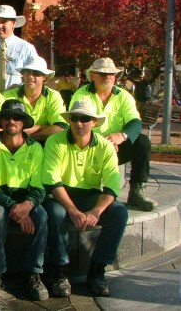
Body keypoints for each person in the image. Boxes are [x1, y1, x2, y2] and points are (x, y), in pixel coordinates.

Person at [42, 100, 128, 297]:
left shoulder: (105, 147)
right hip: (61, 195)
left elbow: (112, 185)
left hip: (90, 196)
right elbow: (52, 181)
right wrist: (73, 211)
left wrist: (95, 211)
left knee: (119, 212)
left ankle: (97, 270)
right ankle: (60, 270)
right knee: (55, 213)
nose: (79, 123)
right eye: (74, 118)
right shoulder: (55, 141)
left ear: (94, 122)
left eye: (85, 119)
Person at [0, 99, 49, 301]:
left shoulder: (35, 148)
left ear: (23, 122)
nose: (12, 120)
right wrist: (16, 210)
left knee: (42, 216)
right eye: (7, 117)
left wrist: (27, 206)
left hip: (26, 199)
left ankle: (33, 273)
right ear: (1, 122)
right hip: (0, 199)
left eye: (17, 117)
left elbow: (39, 186)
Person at [70, 58, 157, 211]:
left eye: (111, 73)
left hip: (116, 146)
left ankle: (137, 190)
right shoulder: (81, 95)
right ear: (93, 75)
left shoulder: (124, 96)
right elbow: (78, 125)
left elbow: (135, 122)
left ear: (116, 76)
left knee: (142, 143)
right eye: (102, 73)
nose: (107, 77)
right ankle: (85, 194)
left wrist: (121, 136)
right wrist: (104, 143)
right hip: (89, 147)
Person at [3, 56, 67, 143]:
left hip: (45, 145)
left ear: (45, 77)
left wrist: (27, 138)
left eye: (36, 73)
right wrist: (45, 127)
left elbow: (60, 128)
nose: (30, 76)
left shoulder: (54, 96)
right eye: (27, 72)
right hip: (15, 146)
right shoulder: (9, 95)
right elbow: (5, 127)